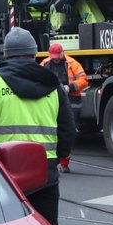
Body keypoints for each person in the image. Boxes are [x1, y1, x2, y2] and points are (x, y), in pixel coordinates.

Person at [0, 27, 76, 225]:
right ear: (34, 54)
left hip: (1, 174)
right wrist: (56, 159)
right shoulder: (53, 86)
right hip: (45, 175)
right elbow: (68, 130)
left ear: (5, 54)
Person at [41, 42, 88, 173]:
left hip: (71, 100)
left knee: (68, 131)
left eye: (57, 56)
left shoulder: (72, 64)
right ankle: (55, 161)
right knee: (52, 131)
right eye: (53, 56)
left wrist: (70, 87)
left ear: (63, 53)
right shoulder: (45, 63)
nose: (55, 59)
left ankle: (64, 162)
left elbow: (83, 80)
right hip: (51, 100)